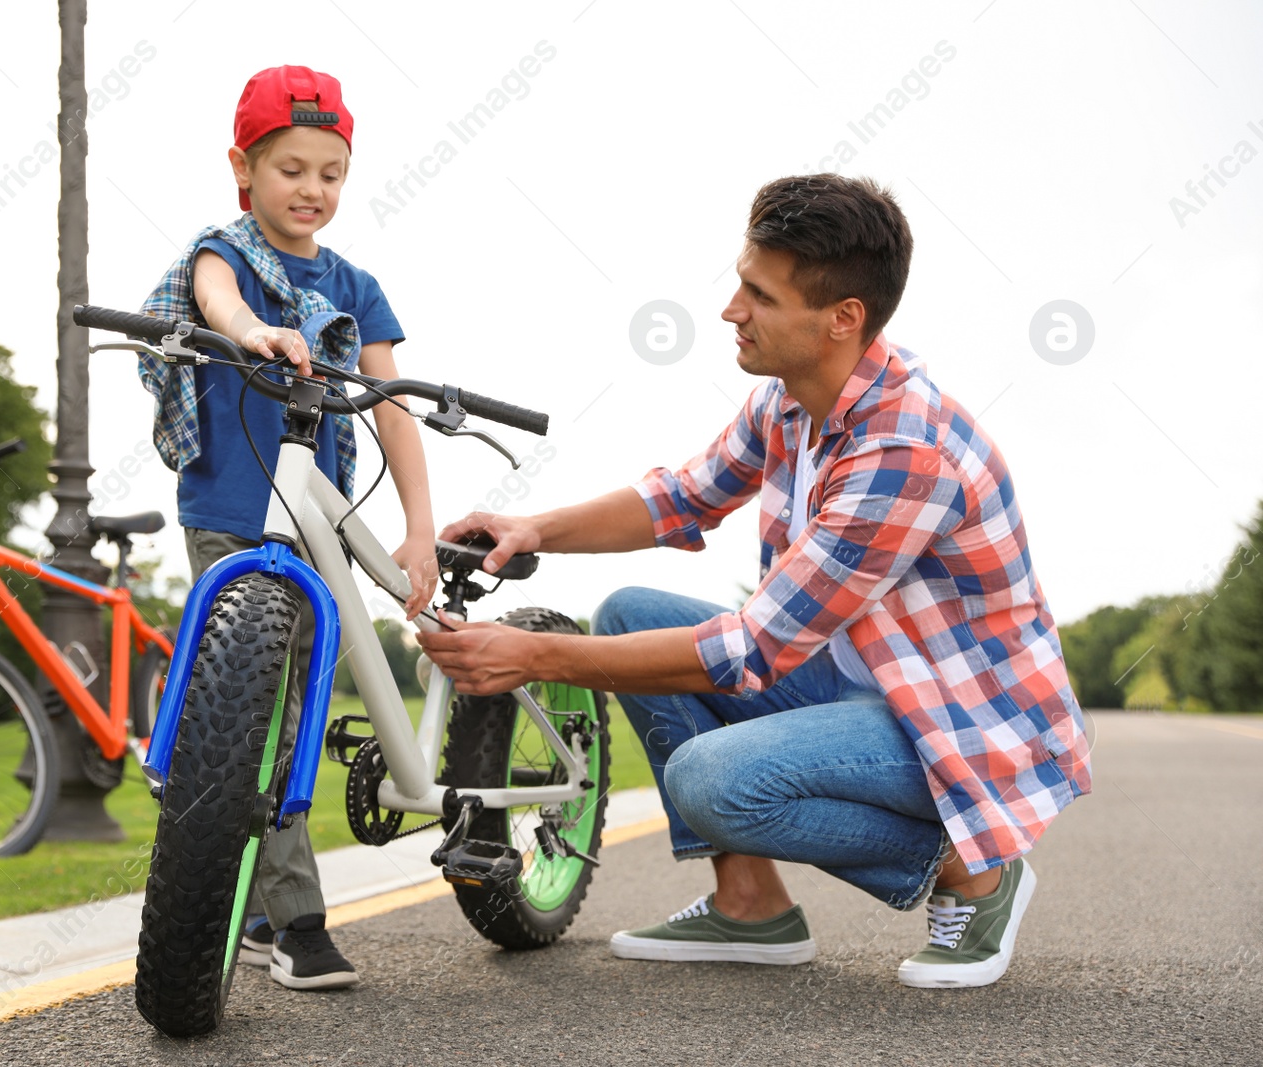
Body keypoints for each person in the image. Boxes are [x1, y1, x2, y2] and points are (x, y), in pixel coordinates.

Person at [416, 174, 1090, 989]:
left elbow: (751, 648)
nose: (732, 309)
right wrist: (535, 528)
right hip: (862, 689)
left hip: (957, 729)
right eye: (741, 282)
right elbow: (684, 495)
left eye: (759, 295)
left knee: (713, 779)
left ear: (843, 318)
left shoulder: (902, 453)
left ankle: (973, 871)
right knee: (628, 612)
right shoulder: (791, 400)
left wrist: (535, 654)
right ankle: (749, 905)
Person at [137, 65, 438, 991]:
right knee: (246, 715)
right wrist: (250, 332)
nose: (313, 191)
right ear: (244, 166)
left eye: (332, 173)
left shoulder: (355, 284)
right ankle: (297, 917)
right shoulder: (220, 254)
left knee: (298, 705)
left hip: (320, 513)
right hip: (232, 519)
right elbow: (218, 296)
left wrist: (419, 528)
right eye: (292, 169)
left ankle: (266, 910)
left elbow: (391, 409)